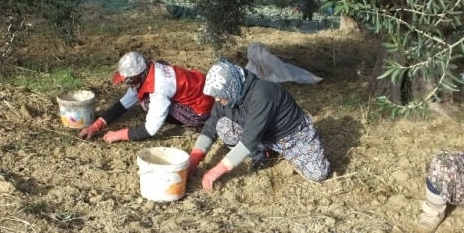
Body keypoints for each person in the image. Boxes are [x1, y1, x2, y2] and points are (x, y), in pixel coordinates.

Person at [187, 59, 330, 191]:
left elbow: (249, 140)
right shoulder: (228, 98)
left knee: (318, 173)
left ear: (232, 87)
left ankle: (305, 144)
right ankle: (264, 155)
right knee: (223, 126)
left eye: (220, 94)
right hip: (262, 136)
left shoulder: (263, 93)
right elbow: (210, 128)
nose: (217, 99)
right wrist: (193, 160)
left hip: (290, 136)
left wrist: (217, 170)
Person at [78, 52, 215, 143]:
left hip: (201, 111)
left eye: (128, 80)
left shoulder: (158, 88)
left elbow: (151, 129)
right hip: (202, 94)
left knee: (146, 103)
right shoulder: (150, 70)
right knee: (142, 97)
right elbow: (124, 103)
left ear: (138, 74)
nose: (128, 84)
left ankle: (195, 124)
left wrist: (118, 135)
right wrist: (96, 125)